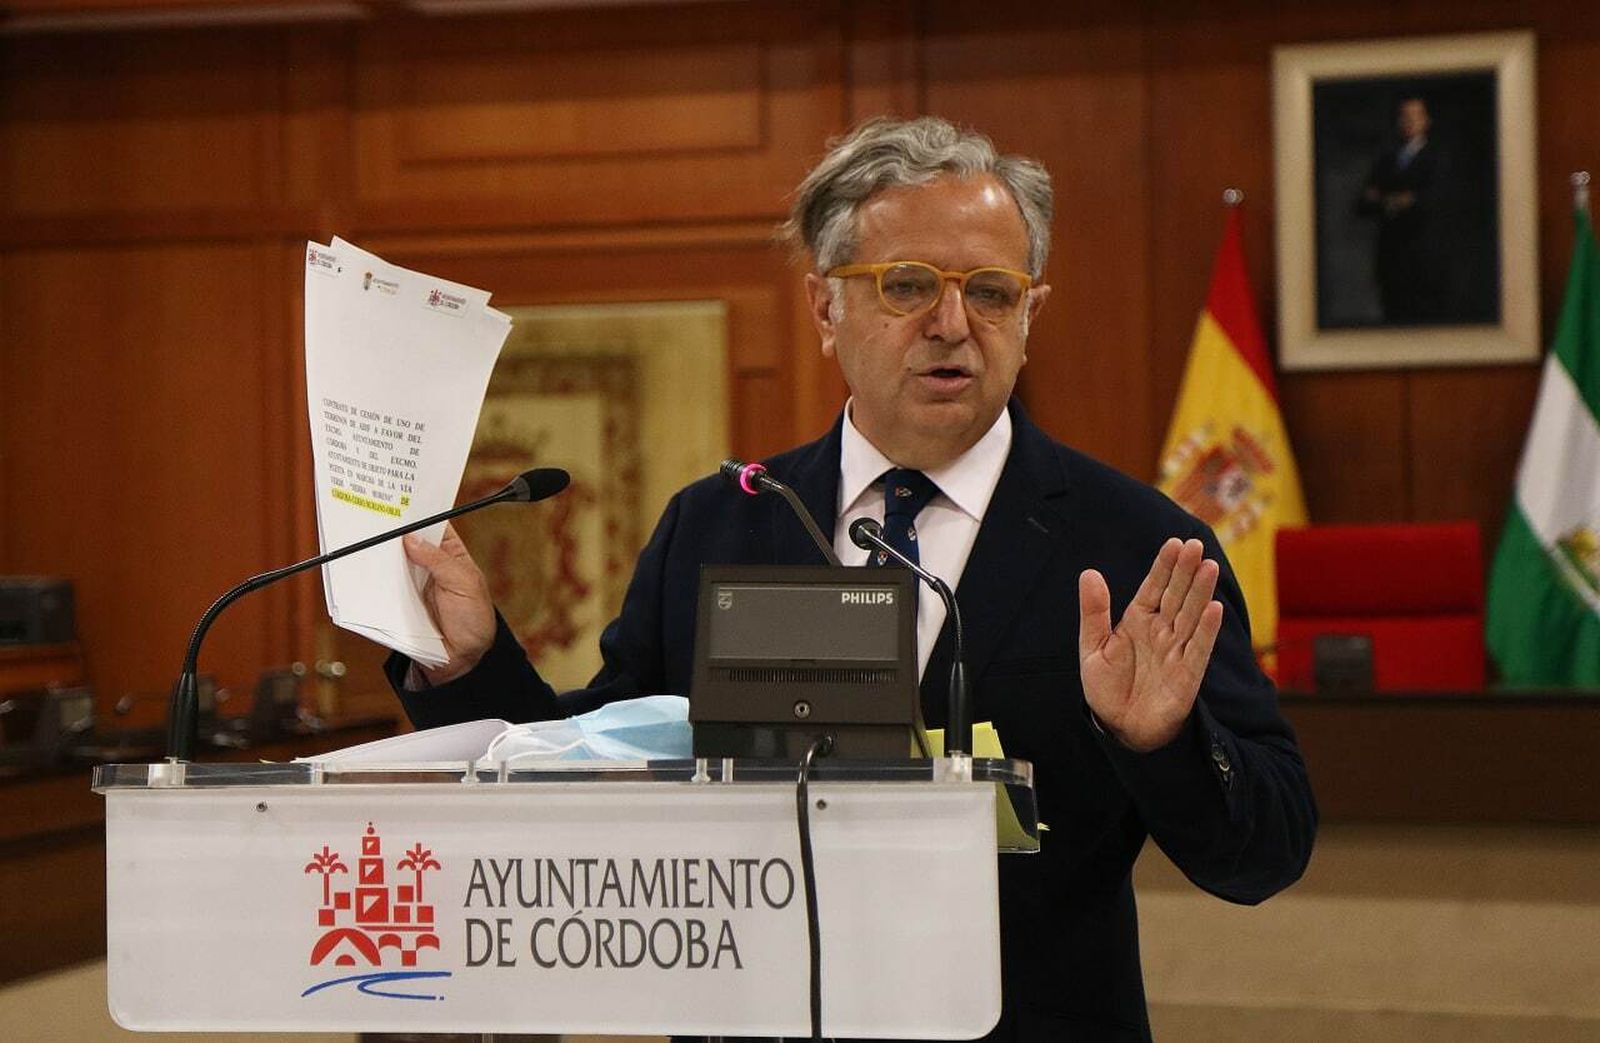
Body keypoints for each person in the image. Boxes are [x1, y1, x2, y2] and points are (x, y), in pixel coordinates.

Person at [390, 116, 1316, 1041]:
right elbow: (600, 771)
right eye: (907, 285)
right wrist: (470, 664)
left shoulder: (1137, 547)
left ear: (1029, 315)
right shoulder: (722, 522)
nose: (952, 324)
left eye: (990, 292)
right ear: (825, 309)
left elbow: (1264, 851)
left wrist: (1160, 744)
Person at [1358, 96, 1445, 323]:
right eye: (1404, 117)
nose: (1409, 122)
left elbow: (1433, 200)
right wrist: (1397, 200)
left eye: (1415, 116)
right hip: (1390, 255)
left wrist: (1389, 199)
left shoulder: (1436, 158)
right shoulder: (1386, 159)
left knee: (1421, 316)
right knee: (1392, 312)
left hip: (1422, 254)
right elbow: (1363, 203)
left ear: (1426, 121)